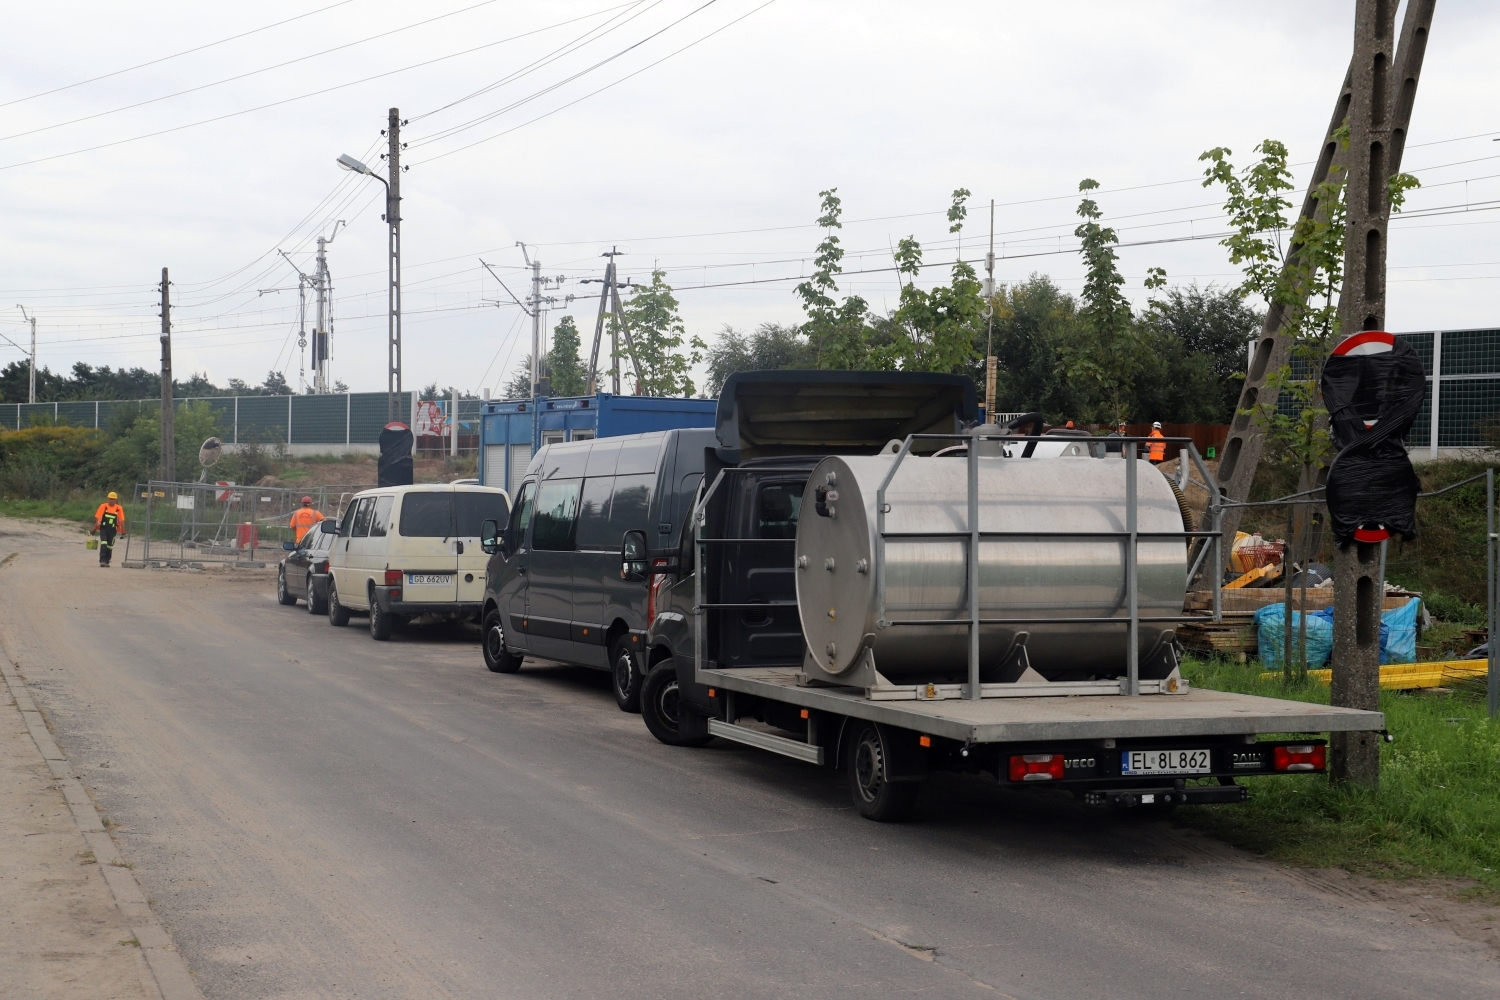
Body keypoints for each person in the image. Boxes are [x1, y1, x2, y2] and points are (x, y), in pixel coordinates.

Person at [92, 491, 126, 567]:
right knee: (104, 543)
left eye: (113, 499)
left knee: (110, 545)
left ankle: (107, 561)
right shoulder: (103, 507)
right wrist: (94, 529)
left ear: (116, 500)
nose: (112, 500)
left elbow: (121, 520)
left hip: (113, 529)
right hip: (103, 528)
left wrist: (123, 530)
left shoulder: (118, 508)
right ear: (108, 499)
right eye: (110, 499)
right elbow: (98, 519)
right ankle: (102, 560)